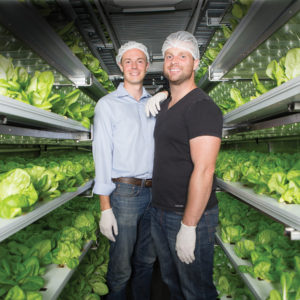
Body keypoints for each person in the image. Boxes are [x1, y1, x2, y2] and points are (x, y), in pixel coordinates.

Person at [148, 31, 223, 300]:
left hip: (188, 216)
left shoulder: (202, 107)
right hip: (161, 212)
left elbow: (205, 169)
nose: (174, 61)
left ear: (196, 62)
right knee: (172, 282)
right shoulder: (168, 104)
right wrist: (162, 93)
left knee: (197, 290)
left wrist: (189, 226)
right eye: (169, 56)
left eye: (183, 55)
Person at [92, 41, 156, 300]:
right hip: (124, 194)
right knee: (121, 266)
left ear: (147, 66)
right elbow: (101, 157)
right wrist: (105, 207)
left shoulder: (156, 104)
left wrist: (163, 94)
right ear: (120, 66)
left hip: (156, 194)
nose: (133, 66)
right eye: (128, 61)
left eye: (139, 61)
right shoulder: (107, 105)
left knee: (147, 261)